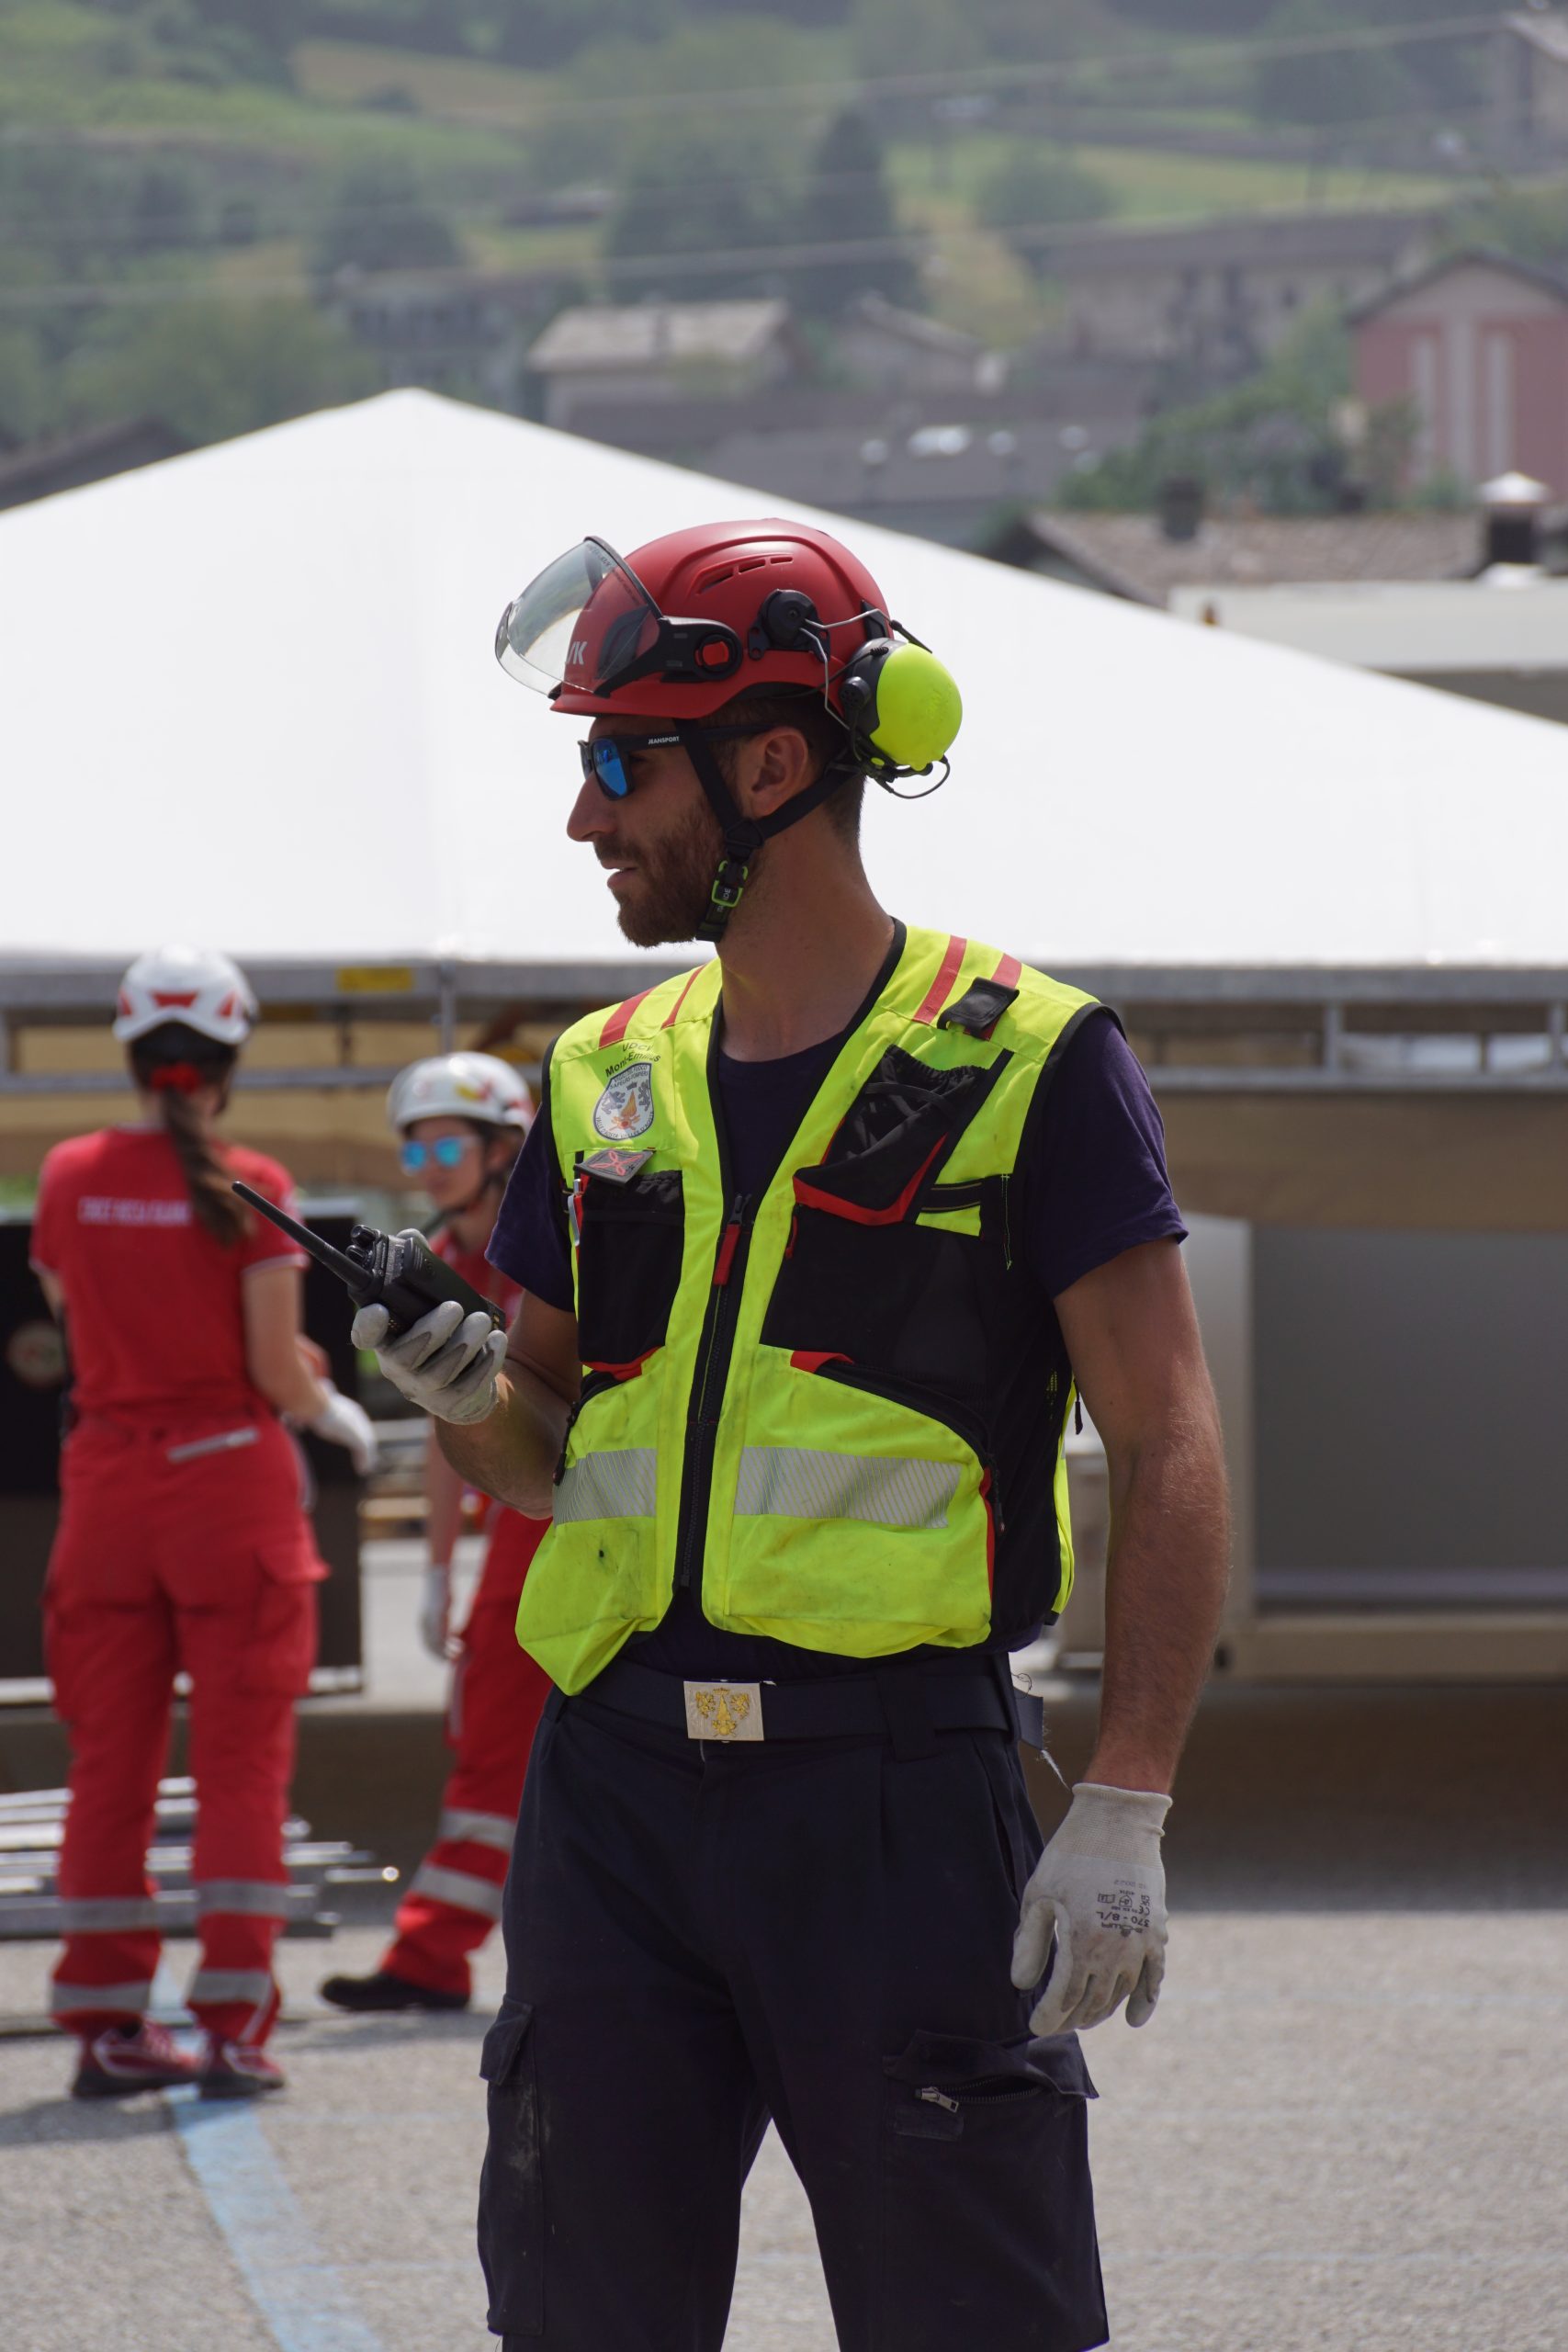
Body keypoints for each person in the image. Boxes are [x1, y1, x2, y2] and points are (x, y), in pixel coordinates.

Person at [357, 521, 1231, 2349]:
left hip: (890, 1798)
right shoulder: (600, 1073)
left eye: (620, 764)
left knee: (967, 2319)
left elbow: (1167, 1440)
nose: (583, 817)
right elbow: (542, 1446)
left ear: (768, 765)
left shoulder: (1029, 1059)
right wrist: (455, 1389)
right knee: (579, 2316)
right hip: (609, 1794)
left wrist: (1128, 1798)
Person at [31, 944, 377, 2101]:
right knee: (239, 1774)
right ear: (231, 1059)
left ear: (132, 1053)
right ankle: (233, 2030)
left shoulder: (69, 1176)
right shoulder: (250, 1179)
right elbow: (272, 1368)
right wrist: (326, 1404)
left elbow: (87, 1327)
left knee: (107, 1774)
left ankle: (106, 2025)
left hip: (108, 1495)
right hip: (229, 1494)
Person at [321, 1052, 550, 2015]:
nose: (426, 1167)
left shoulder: (547, 1245)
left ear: (505, 1148)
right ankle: (436, 1953)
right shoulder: (444, 1259)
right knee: (499, 1734)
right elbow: (452, 1423)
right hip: (520, 1522)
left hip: (567, 1512)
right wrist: (436, 1572)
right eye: (413, 1150)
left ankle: (434, 1953)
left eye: (445, 1146)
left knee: (507, 1739)